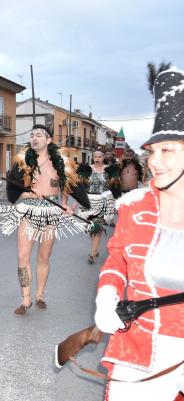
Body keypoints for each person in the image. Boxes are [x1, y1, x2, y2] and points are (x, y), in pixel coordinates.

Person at [93, 67, 184, 400]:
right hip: (140, 345)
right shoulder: (134, 207)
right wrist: (107, 296)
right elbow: (118, 259)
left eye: (167, 151)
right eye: (152, 151)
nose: (154, 161)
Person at [0, 124, 90, 316]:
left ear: (49, 140)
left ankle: (40, 295)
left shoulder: (60, 162)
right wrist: (28, 195)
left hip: (50, 213)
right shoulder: (23, 162)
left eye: (39, 135)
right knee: (22, 257)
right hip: (28, 211)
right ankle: (25, 298)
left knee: (43, 257)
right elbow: (14, 191)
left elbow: (66, 186)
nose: (34, 138)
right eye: (32, 134)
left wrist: (65, 205)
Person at [76, 150, 121, 264]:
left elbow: (115, 186)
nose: (97, 158)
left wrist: (116, 201)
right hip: (89, 200)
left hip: (104, 200)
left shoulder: (110, 170)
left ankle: (92, 253)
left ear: (103, 157)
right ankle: (95, 249)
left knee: (97, 226)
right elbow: (80, 186)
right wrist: (77, 201)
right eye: (95, 156)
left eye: (99, 156)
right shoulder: (86, 170)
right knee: (92, 227)